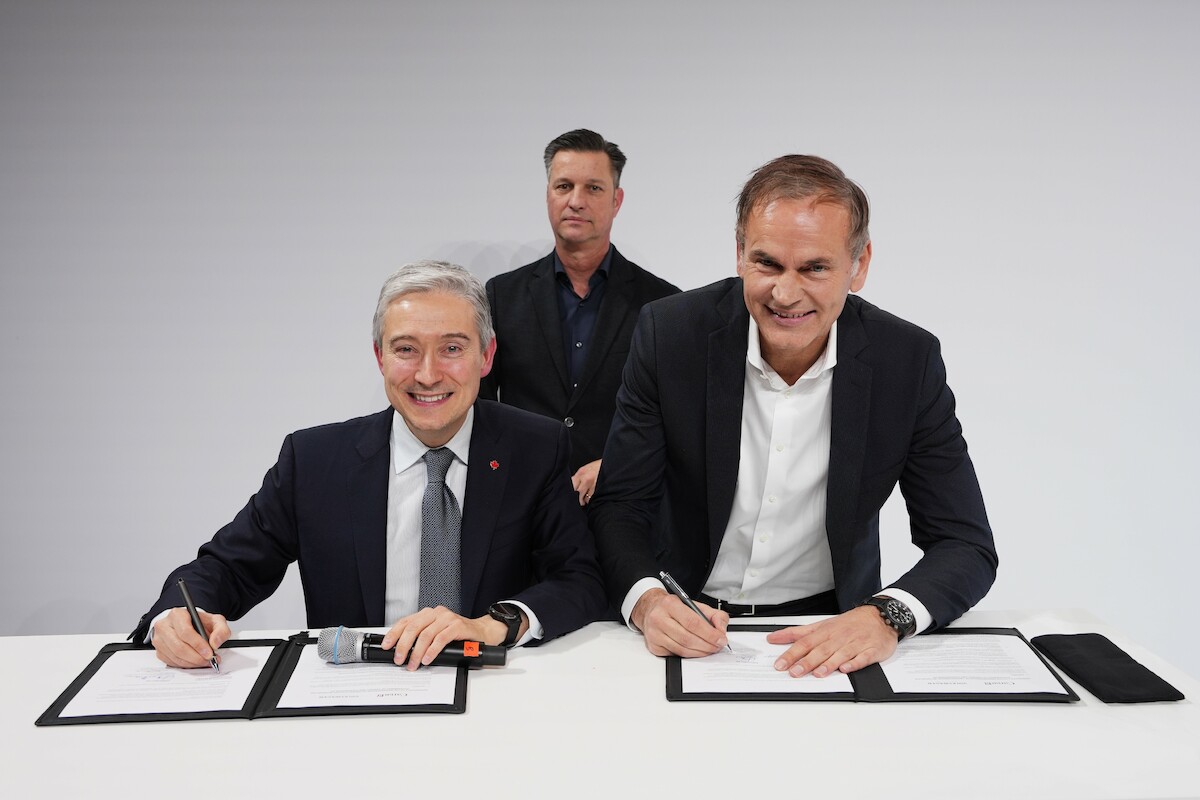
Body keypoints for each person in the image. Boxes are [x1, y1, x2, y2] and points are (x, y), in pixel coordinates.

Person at [588, 155, 998, 678]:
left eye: (814, 268)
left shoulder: (907, 361)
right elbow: (620, 504)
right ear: (738, 253)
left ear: (860, 264)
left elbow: (965, 543)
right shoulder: (670, 335)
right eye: (767, 264)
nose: (785, 293)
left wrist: (885, 617)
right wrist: (645, 601)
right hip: (682, 617)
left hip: (828, 627)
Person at [132, 261, 607, 670]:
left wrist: (493, 624)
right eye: (405, 349)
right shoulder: (314, 461)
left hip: (491, 689)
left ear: (487, 356)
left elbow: (578, 579)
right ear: (379, 357)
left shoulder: (536, 447)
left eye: (452, 348)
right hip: (355, 700)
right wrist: (175, 618)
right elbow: (226, 569)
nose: (427, 374)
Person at [480, 129, 679, 505]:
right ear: (547, 195)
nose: (576, 201)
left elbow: (674, 419)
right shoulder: (501, 295)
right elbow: (483, 406)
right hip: (521, 502)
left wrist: (617, 463)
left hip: (621, 506)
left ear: (617, 200)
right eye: (564, 186)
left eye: (593, 188)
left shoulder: (662, 304)